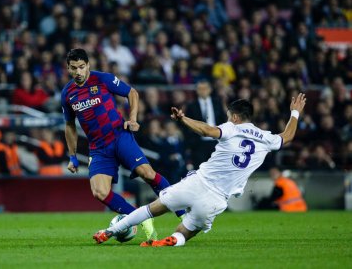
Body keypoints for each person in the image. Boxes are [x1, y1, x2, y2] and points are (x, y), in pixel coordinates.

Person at [93, 93, 307, 247]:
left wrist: (183, 119)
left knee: (151, 209)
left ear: (234, 117)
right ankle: (174, 240)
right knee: (187, 230)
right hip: (217, 199)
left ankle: (109, 231)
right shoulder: (267, 138)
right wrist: (295, 113)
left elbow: (207, 130)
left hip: (197, 183)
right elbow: (287, 136)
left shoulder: (232, 128)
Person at [61, 48, 184, 241]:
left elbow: (132, 93)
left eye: (81, 67)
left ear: (88, 66)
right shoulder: (67, 94)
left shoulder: (102, 79)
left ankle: (183, 214)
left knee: (147, 174)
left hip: (119, 136)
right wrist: (73, 156)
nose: (78, 72)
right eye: (74, 68)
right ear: (68, 68)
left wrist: (133, 118)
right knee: (99, 191)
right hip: (99, 148)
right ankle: (141, 218)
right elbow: (69, 125)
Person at [185, 80, 226, 168]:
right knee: (200, 169)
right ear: (197, 90)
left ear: (210, 90)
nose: (203, 91)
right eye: (200, 89)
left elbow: (223, 119)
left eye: (205, 88)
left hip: (216, 141)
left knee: (217, 168)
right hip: (199, 143)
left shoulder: (217, 103)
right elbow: (188, 124)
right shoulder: (191, 106)